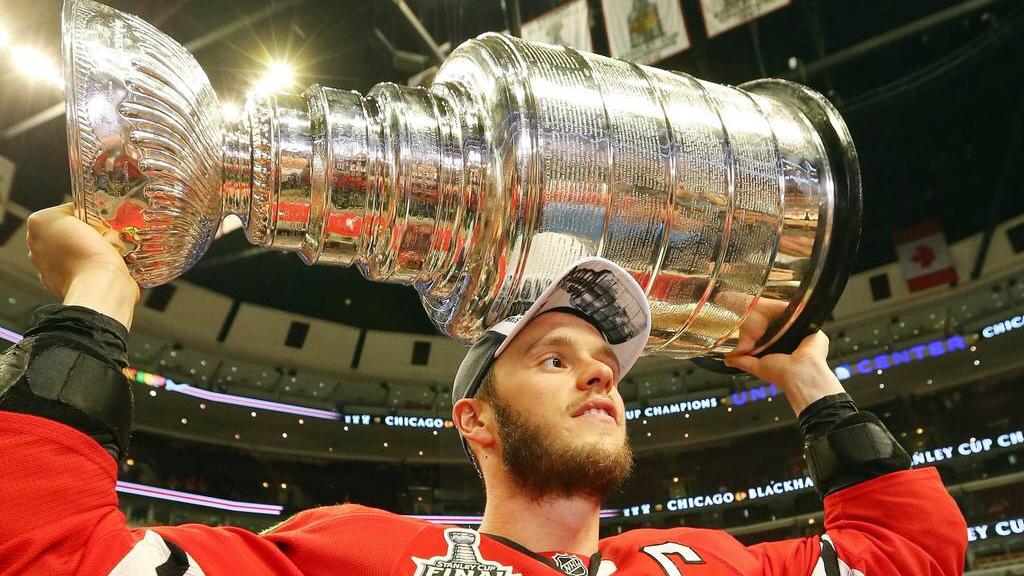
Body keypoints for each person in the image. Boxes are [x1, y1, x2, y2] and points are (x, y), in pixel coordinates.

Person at [0, 204, 967, 576]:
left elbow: (916, 553)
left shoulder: (696, 561)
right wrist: (97, 301)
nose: (598, 371)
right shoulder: (362, 554)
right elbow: (49, 556)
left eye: (604, 361)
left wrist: (807, 375)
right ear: (477, 420)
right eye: (553, 357)